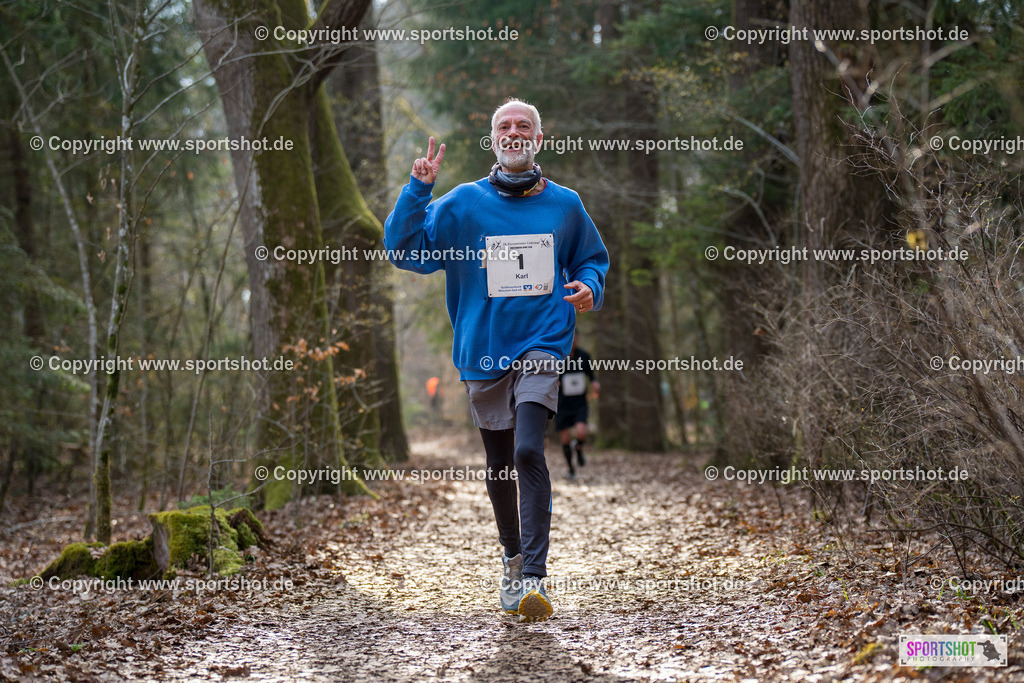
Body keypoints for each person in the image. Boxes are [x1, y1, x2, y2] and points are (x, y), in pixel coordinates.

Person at [384, 98, 609, 621]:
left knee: (530, 450)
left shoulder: (565, 205)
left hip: (543, 343)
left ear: (538, 138)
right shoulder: (463, 204)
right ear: (493, 139)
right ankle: (511, 556)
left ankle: (534, 577)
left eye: (523, 126)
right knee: (500, 463)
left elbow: (592, 260)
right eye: (504, 126)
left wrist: (587, 289)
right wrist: (418, 190)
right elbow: (404, 248)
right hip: (483, 351)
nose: (514, 132)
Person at [556, 335, 599, 479]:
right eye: (570, 337)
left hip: (580, 402)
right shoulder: (559, 356)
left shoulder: (584, 356)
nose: (573, 340)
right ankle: (570, 469)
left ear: (578, 339)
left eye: (575, 337)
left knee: (581, 432)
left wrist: (594, 383)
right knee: (565, 438)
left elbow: (591, 374)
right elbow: (552, 376)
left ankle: (579, 446)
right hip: (563, 403)